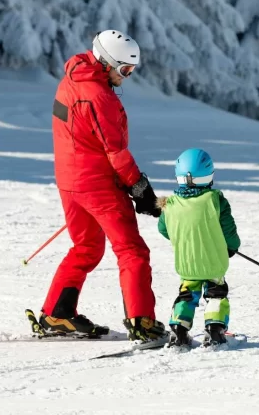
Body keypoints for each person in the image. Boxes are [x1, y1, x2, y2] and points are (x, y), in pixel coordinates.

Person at [32, 29, 167, 343]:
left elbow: (74, 132)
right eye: (124, 70)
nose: (127, 76)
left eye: (131, 70)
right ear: (106, 62)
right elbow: (115, 151)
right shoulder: (99, 96)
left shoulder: (70, 80)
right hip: (97, 185)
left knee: (86, 248)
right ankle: (142, 322)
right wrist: (139, 188)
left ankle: (57, 314)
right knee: (132, 250)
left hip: (70, 182)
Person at [155, 148, 240, 347]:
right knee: (216, 294)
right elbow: (228, 230)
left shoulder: (170, 205)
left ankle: (179, 330)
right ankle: (215, 330)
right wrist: (232, 247)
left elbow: (164, 229)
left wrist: (185, 238)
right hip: (213, 262)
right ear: (209, 175)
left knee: (187, 294)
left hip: (187, 262)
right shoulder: (215, 200)